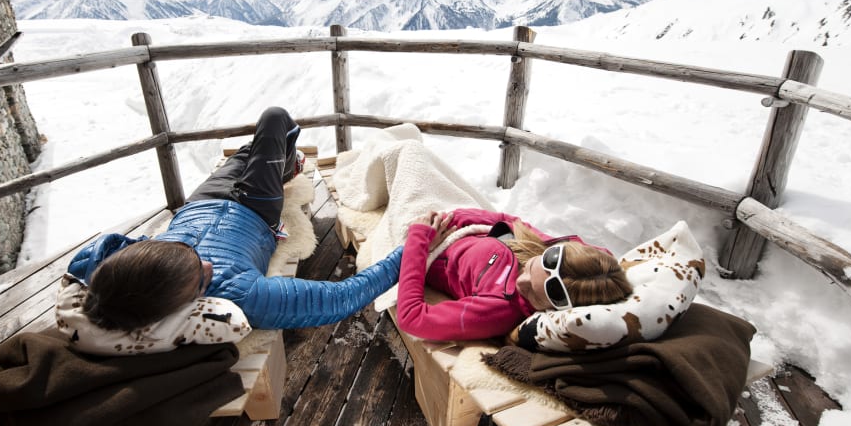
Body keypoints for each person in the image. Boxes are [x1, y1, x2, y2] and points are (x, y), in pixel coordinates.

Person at [56, 107, 403, 353]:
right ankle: (285, 162)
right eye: (201, 277)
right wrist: (411, 249)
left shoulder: (122, 277)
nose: (206, 266)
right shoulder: (240, 294)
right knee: (274, 118)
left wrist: (101, 280)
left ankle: (280, 163)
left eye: (192, 259)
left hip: (199, 204)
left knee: (248, 152)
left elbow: (89, 258)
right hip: (254, 207)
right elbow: (343, 298)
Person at [395, 208, 631, 342]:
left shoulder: (499, 309)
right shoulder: (569, 259)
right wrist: (455, 218)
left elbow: (412, 317)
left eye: (531, 294)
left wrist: (420, 239)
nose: (521, 282)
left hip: (426, 249)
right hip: (454, 225)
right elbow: (510, 221)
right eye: (529, 267)